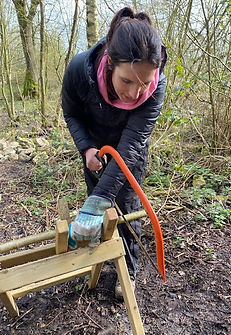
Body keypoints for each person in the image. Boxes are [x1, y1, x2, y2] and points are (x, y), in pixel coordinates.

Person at [61, 7, 167, 300]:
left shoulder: (156, 87)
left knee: (128, 208)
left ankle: (127, 272)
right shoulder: (79, 71)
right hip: (96, 149)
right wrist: (86, 148)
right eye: (127, 81)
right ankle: (100, 255)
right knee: (99, 205)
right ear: (109, 64)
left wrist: (97, 202)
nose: (136, 93)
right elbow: (71, 113)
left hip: (129, 153)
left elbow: (132, 145)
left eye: (145, 82)